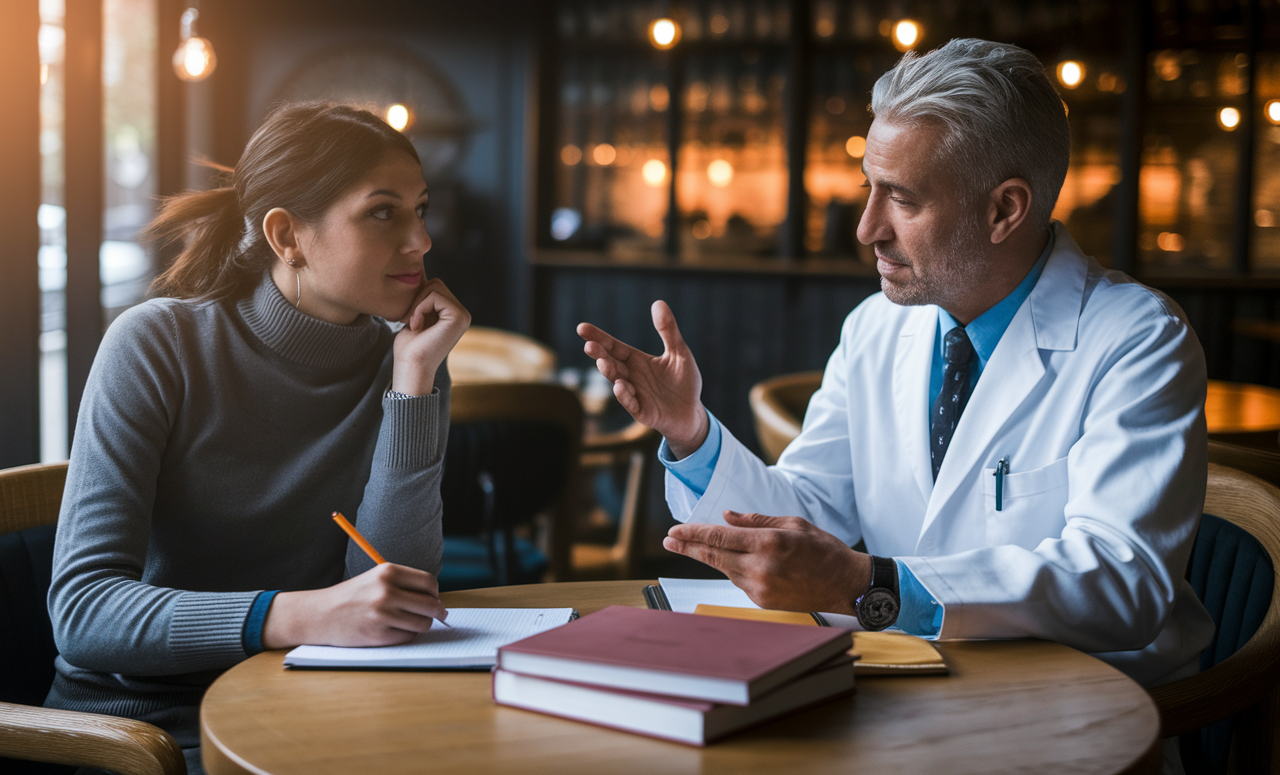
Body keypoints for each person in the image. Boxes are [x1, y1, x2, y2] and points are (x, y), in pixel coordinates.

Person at [578, 39, 1215, 696]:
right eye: (868, 190)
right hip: (908, 690)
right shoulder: (875, 327)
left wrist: (872, 586)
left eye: (902, 200)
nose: (865, 228)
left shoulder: (1137, 340)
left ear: (1005, 210)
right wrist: (691, 434)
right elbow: (808, 514)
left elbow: (1120, 582)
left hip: (1082, 712)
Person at [45, 102, 468, 775]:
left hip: (306, 711)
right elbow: (86, 611)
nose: (420, 240)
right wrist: (303, 616)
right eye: (384, 212)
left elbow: (394, 590)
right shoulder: (158, 344)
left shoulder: (410, 361)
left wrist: (414, 382)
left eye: (420, 209)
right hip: (144, 737)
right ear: (286, 235)